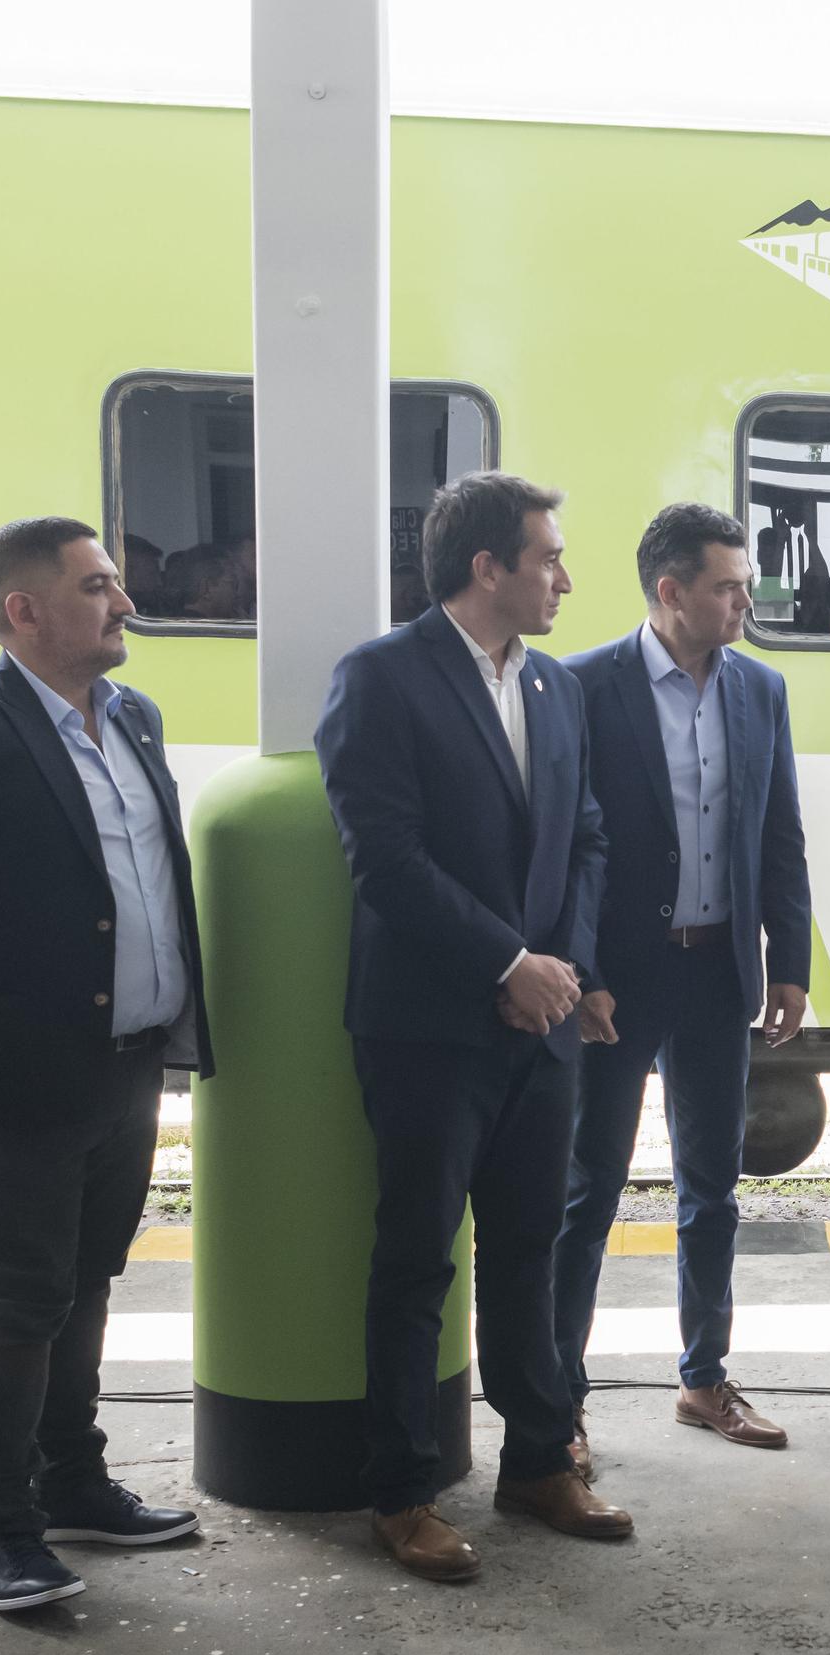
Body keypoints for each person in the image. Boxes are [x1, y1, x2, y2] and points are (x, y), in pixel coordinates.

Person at [317, 470, 630, 1582]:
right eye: (549, 558)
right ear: (487, 566)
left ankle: (539, 1460)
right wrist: (506, 962)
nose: (565, 580)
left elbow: (586, 838)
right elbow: (384, 857)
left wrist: (563, 970)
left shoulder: (554, 686)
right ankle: (401, 1490)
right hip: (426, 1026)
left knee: (530, 1249)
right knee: (416, 1260)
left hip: (541, 1023)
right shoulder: (380, 677)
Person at [0, 518, 210, 1613]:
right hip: (25, 1069)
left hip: (130, 1062)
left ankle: (73, 1481)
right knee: (22, 1297)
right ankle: (1, 1531)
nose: (126, 603)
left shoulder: (135, 717)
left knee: (90, 1282)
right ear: (23, 610)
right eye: (98, 586)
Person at [547, 504, 814, 1451]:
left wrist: (789, 961)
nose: (746, 603)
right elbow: (565, 846)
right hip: (618, 983)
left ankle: (704, 1379)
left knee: (713, 1190)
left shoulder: (761, 690)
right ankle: (560, 1400)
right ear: (671, 592)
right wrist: (581, 970)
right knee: (588, 1193)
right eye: (728, 588)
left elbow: (778, 832)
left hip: (717, 974)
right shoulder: (583, 687)